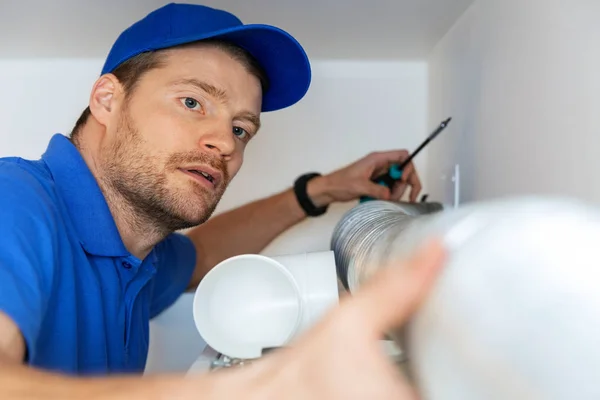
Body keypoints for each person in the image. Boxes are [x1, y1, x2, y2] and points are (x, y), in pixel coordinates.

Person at [0, 3, 444, 398]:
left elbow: (205, 253)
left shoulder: (136, 254)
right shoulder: (15, 202)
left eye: (240, 129)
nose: (225, 144)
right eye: (192, 101)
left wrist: (323, 189)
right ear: (107, 100)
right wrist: (248, 386)